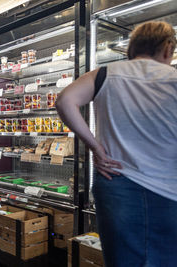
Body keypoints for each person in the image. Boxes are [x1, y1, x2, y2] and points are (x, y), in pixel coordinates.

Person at [56, 21, 177, 266]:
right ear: (167, 48)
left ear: (133, 48)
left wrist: (95, 148)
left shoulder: (105, 73)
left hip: (115, 180)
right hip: (168, 186)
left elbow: (65, 100)